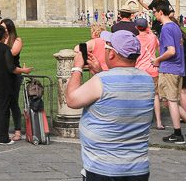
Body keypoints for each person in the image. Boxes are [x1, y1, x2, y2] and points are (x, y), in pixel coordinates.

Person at [64, 30, 155, 181]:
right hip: (138, 168)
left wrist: (77, 68)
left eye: (107, 47)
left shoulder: (102, 81)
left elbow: (72, 100)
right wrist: (99, 71)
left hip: (104, 168)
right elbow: (118, 92)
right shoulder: (147, 80)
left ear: (112, 54)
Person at [151, 3, 186, 143]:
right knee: (169, 101)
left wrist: (157, 60)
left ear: (161, 12)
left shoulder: (166, 28)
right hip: (178, 68)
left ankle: (177, 133)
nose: (153, 14)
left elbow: (171, 50)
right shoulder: (175, 27)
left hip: (169, 68)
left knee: (171, 101)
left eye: (154, 12)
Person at [133, 16, 161, 128]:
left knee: (141, 96)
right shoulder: (153, 37)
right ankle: (159, 122)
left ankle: (143, 120)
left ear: (136, 27)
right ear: (147, 26)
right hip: (152, 69)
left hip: (140, 70)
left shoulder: (135, 39)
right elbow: (159, 48)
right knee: (155, 96)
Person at [2, 18, 28, 142]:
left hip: (14, 74)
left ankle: (18, 131)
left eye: (5, 28)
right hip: (2, 74)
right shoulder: (0, 40)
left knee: (13, 103)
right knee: (2, 103)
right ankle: (3, 130)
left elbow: (12, 52)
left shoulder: (17, 40)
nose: (3, 30)